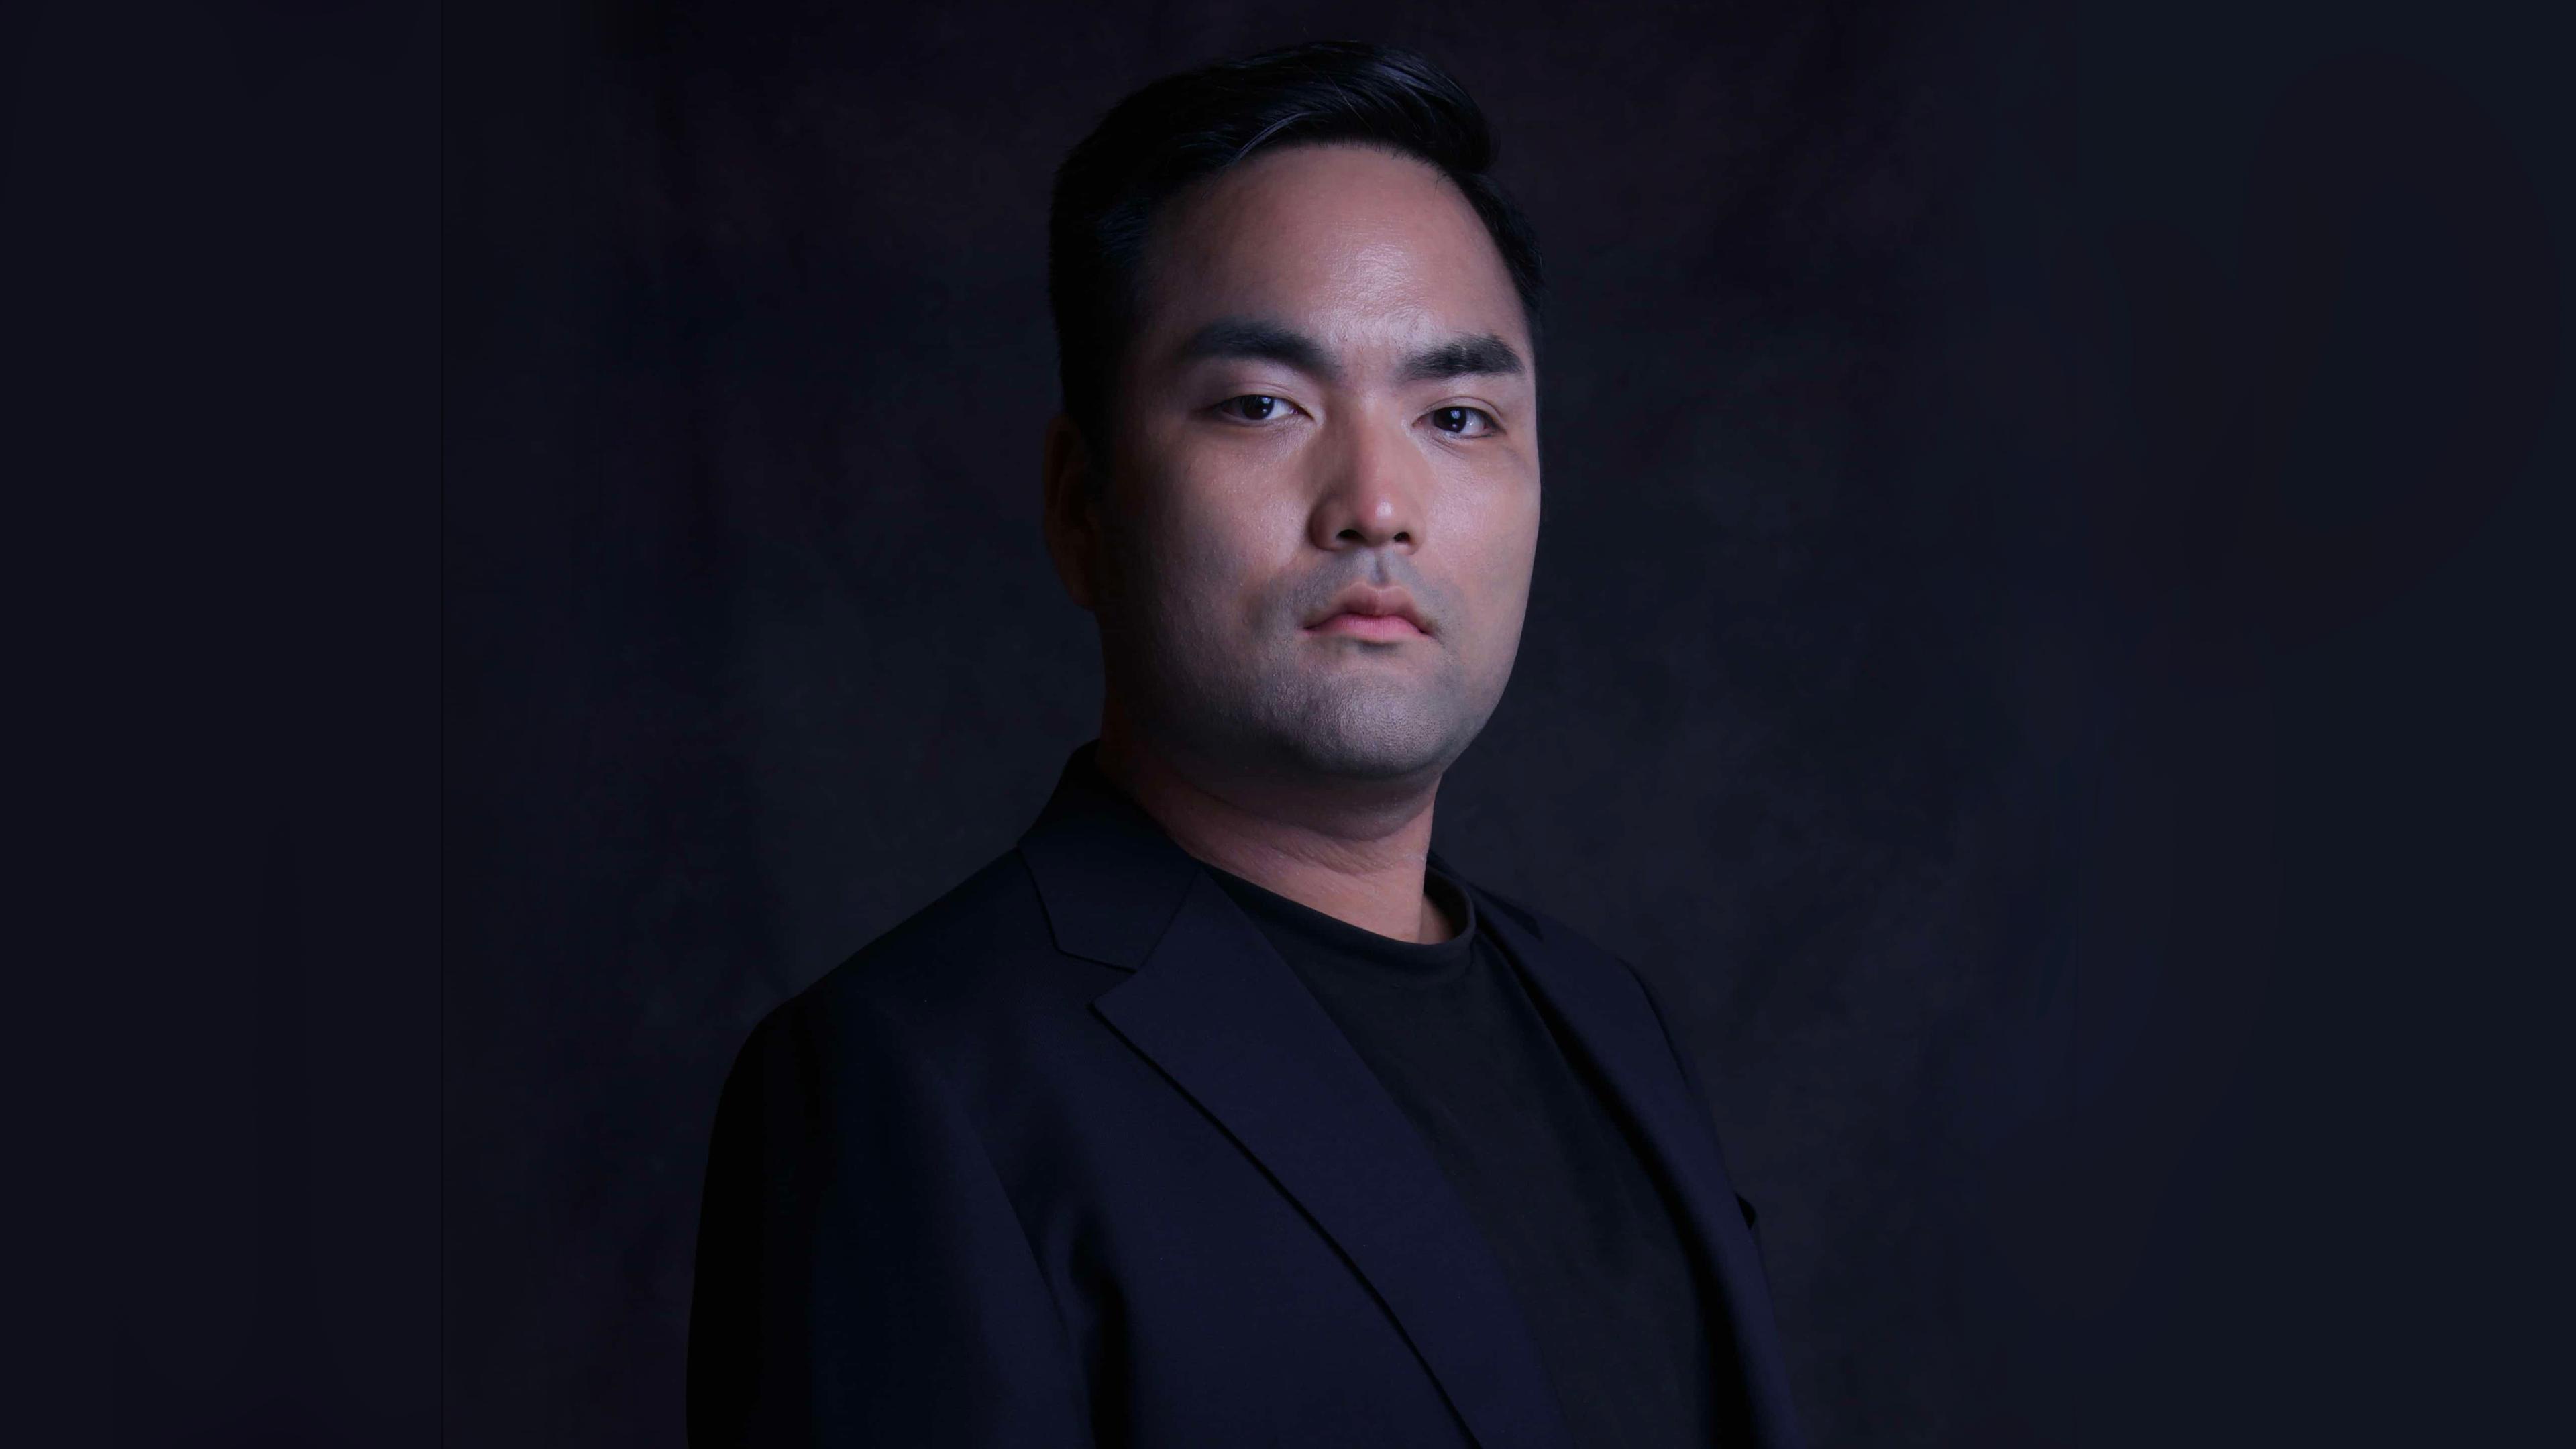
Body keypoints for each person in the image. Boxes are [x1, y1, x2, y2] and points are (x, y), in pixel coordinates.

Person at [686, 40, 1805, 1449]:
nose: (1377, 505)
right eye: (1263, 404)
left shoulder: (1609, 1023)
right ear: (1082, 505)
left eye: (1458, 416)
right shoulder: (906, 1082)